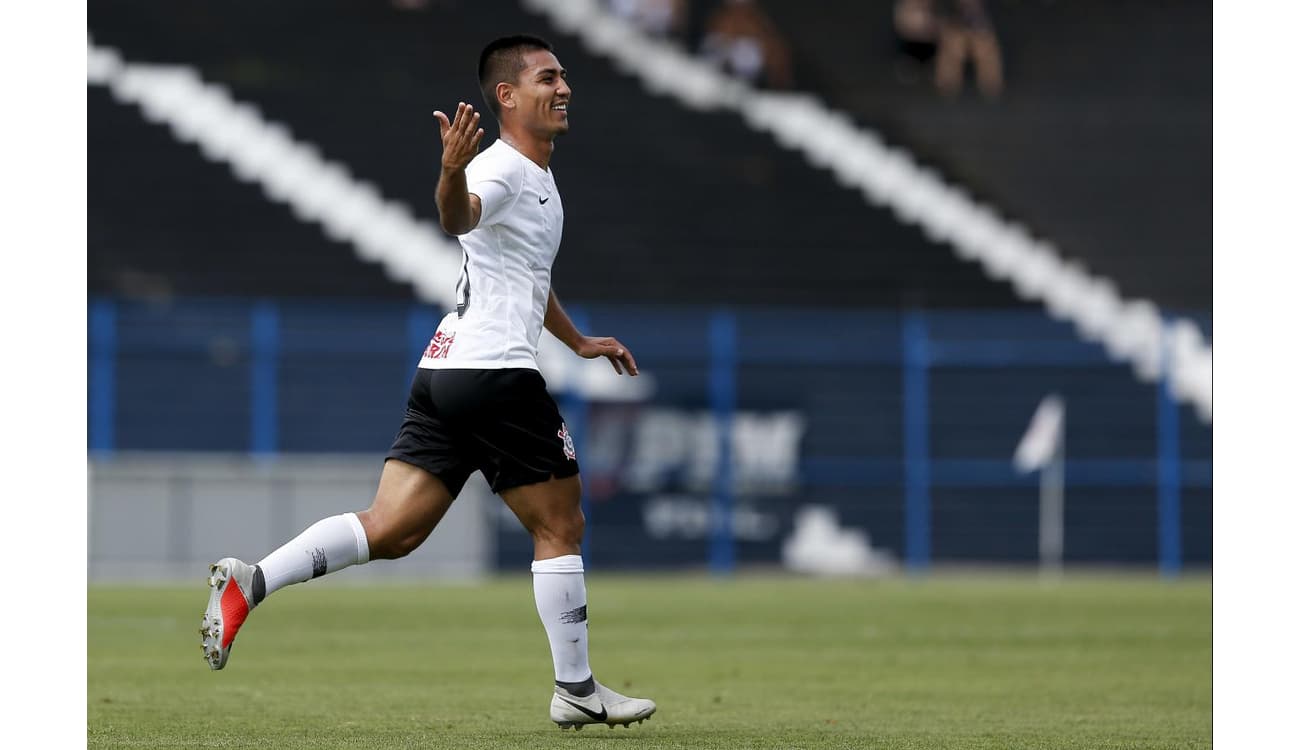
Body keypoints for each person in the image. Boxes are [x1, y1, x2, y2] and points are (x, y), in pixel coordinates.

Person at [200, 34, 658, 731]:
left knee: (392, 530)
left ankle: (252, 581)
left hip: (445, 370)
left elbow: (528, 275)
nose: (563, 88)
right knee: (561, 525)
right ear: (506, 95)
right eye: (547, 77)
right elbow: (458, 216)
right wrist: (450, 174)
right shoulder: (501, 170)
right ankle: (576, 689)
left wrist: (577, 340)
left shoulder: (536, 175)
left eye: (564, 77)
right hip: (496, 374)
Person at [699, 0, 793, 89]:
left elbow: (779, 70)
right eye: (734, 11)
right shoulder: (716, 31)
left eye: (743, 11)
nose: (738, 18)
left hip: (754, 89)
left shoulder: (763, 34)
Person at [933, 0, 1003, 98]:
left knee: (985, 49)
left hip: (980, 25)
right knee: (953, 48)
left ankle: (991, 86)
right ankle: (947, 86)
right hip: (954, 23)